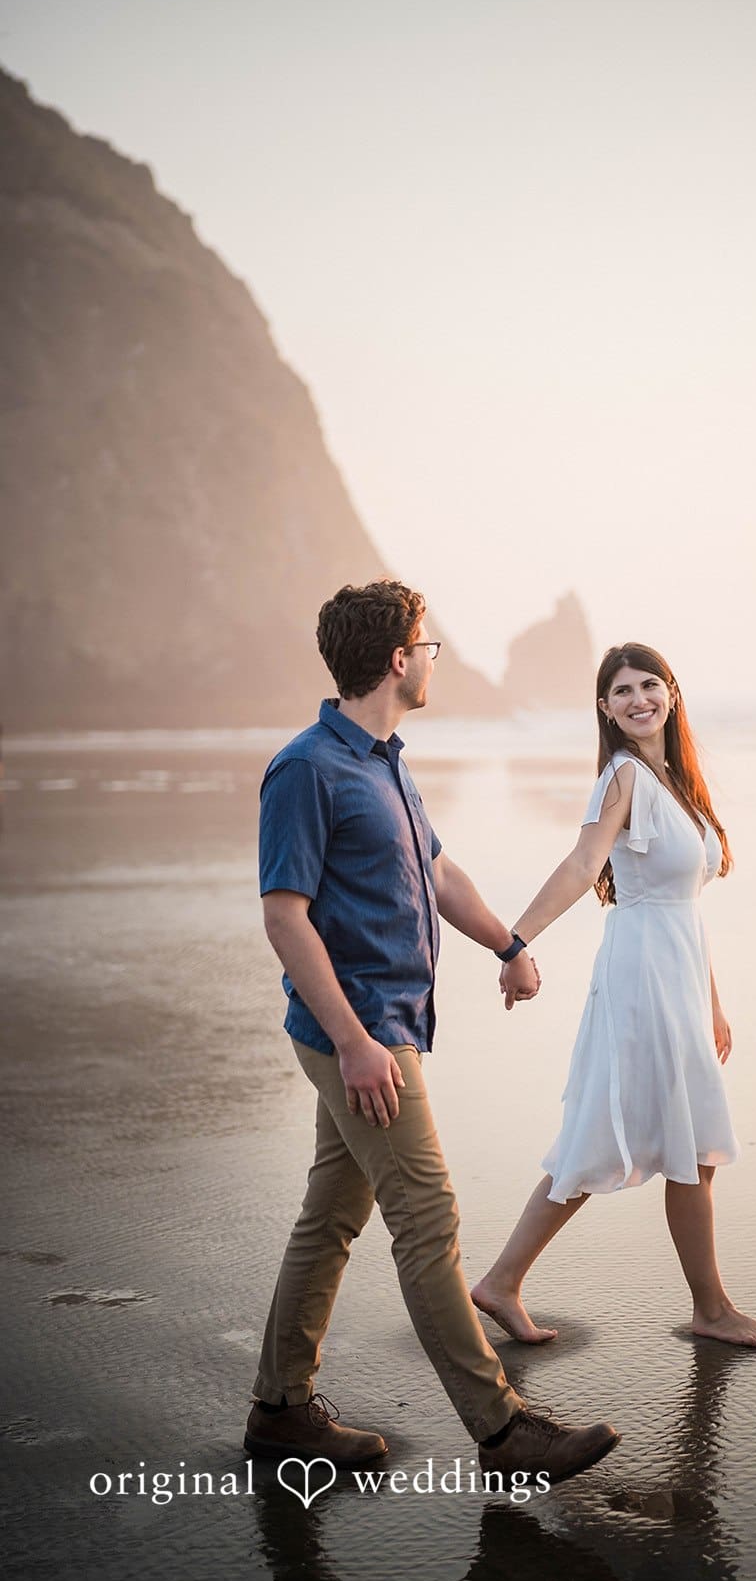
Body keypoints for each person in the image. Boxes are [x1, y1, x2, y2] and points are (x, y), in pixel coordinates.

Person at [243, 579, 619, 1486]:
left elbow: (437, 871)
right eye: (427, 643)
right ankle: (502, 1432)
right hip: (358, 1033)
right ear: (396, 658)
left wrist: (509, 942)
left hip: (386, 1024)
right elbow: (285, 918)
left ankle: (280, 1409)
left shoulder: (384, 758)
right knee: (427, 1216)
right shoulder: (307, 768)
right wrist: (357, 1043)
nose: (434, 656)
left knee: (331, 1216)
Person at [472, 643, 756, 1349]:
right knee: (662, 1142)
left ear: (670, 694)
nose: (638, 698)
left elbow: (683, 905)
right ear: (606, 709)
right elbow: (584, 863)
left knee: (678, 1143)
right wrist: (514, 941)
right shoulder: (622, 777)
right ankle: (708, 1309)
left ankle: (501, 1282)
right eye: (622, 690)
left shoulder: (670, 778)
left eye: (649, 684)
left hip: (675, 971)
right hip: (641, 978)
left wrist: (712, 1002)